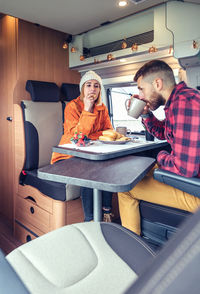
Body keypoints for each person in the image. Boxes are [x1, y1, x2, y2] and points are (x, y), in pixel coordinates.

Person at [118, 60, 200, 235]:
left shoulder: (184, 104)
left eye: (141, 89)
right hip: (194, 181)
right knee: (139, 174)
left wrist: (161, 157)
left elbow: (185, 169)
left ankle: (130, 249)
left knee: (125, 189)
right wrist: (146, 113)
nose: (140, 95)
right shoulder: (180, 100)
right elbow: (163, 132)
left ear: (157, 83)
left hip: (196, 189)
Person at [51, 70, 114, 222]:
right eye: (89, 85)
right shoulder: (72, 107)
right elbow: (77, 137)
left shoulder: (102, 108)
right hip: (66, 157)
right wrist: (87, 109)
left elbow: (109, 133)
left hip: (89, 154)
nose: (93, 89)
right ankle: (90, 220)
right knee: (88, 172)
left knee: (109, 166)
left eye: (96, 86)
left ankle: (106, 212)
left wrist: (91, 136)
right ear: (82, 89)